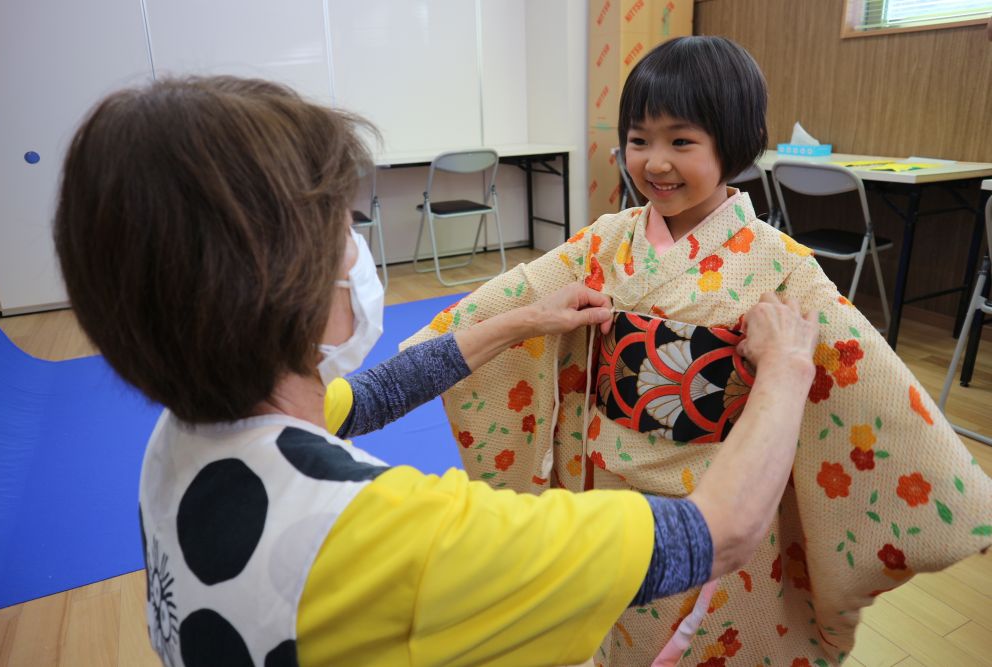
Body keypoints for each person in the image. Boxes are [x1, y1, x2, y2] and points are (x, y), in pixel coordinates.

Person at [52, 76, 823, 667]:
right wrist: (787, 367)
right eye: (344, 226)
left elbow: (377, 393)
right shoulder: (401, 535)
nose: (357, 251)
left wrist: (523, 319)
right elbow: (712, 533)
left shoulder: (182, 439)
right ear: (285, 281)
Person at [403, 36, 992, 666]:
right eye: (639, 139)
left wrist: (960, 496)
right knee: (617, 615)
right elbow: (513, 296)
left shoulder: (780, 266)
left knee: (709, 636)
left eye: (681, 141)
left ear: (732, 143)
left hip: (715, 492)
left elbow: (865, 377)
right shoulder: (607, 240)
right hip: (605, 481)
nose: (655, 162)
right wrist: (422, 358)